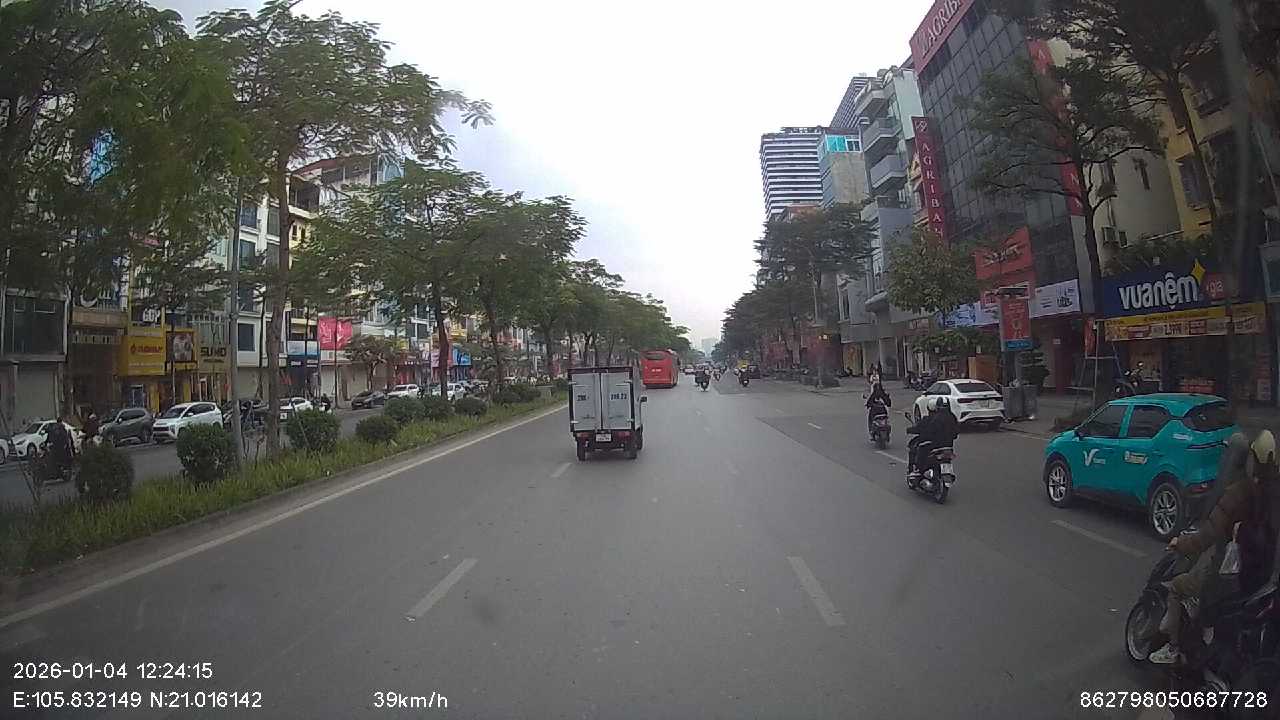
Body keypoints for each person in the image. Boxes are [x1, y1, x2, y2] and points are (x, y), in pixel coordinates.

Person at [1148, 430, 1275, 665]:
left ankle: (1173, 648)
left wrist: (1180, 543)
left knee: (1178, 586)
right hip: (1259, 577)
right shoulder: (1271, 493)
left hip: (1229, 576)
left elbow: (1206, 536)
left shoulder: (1237, 494)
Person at [907, 397, 959, 480]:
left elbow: (930, 432)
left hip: (935, 445)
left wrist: (923, 436)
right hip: (949, 446)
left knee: (921, 449)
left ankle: (919, 470)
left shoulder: (934, 418)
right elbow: (956, 433)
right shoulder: (952, 417)